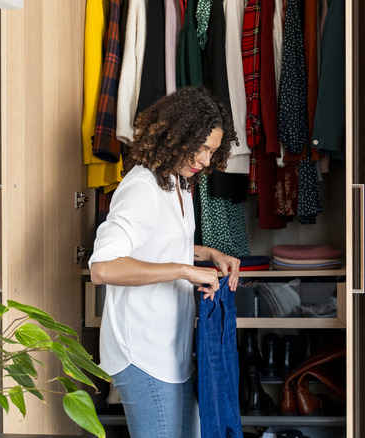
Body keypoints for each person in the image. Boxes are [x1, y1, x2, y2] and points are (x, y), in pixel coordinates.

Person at [89, 86, 241, 438]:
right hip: (141, 351)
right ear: (176, 134)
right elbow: (103, 268)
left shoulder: (176, 182)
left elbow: (161, 244)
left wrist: (207, 254)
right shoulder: (141, 187)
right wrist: (185, 270)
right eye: (201, 148)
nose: (205, 160)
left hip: (171, 347)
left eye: (212, 152)